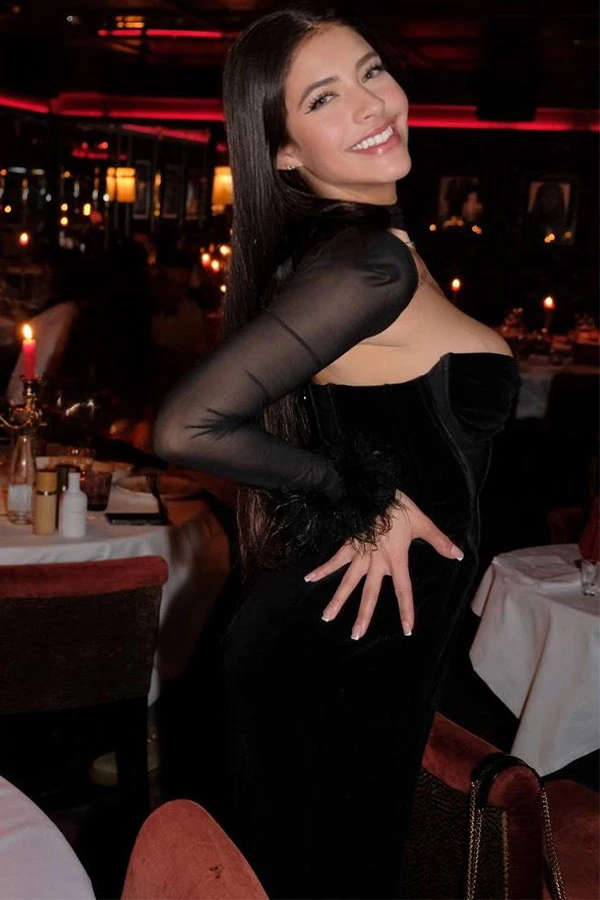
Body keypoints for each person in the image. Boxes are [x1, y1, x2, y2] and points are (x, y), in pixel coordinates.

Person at [154, 8, 518, 898]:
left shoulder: (356, 250)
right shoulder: (368, 264)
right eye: (324, 97)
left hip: (350, 630)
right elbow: (187, 426)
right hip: (344, 646)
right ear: (282, 152)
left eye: (371, 70)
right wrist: (361, 494)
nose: (372, 103)